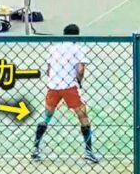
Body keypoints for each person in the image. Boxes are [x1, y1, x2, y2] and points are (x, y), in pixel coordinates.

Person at [32, 24, 99, 163]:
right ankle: (88, 151)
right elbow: (80, 70)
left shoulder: (54, 48)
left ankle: (36, 149)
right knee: (83, 116)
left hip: (53, 86)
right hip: (69, 87)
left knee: (46, 117)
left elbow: (48, 69)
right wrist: (79, 81)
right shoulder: (79, 48)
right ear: (77, 36)